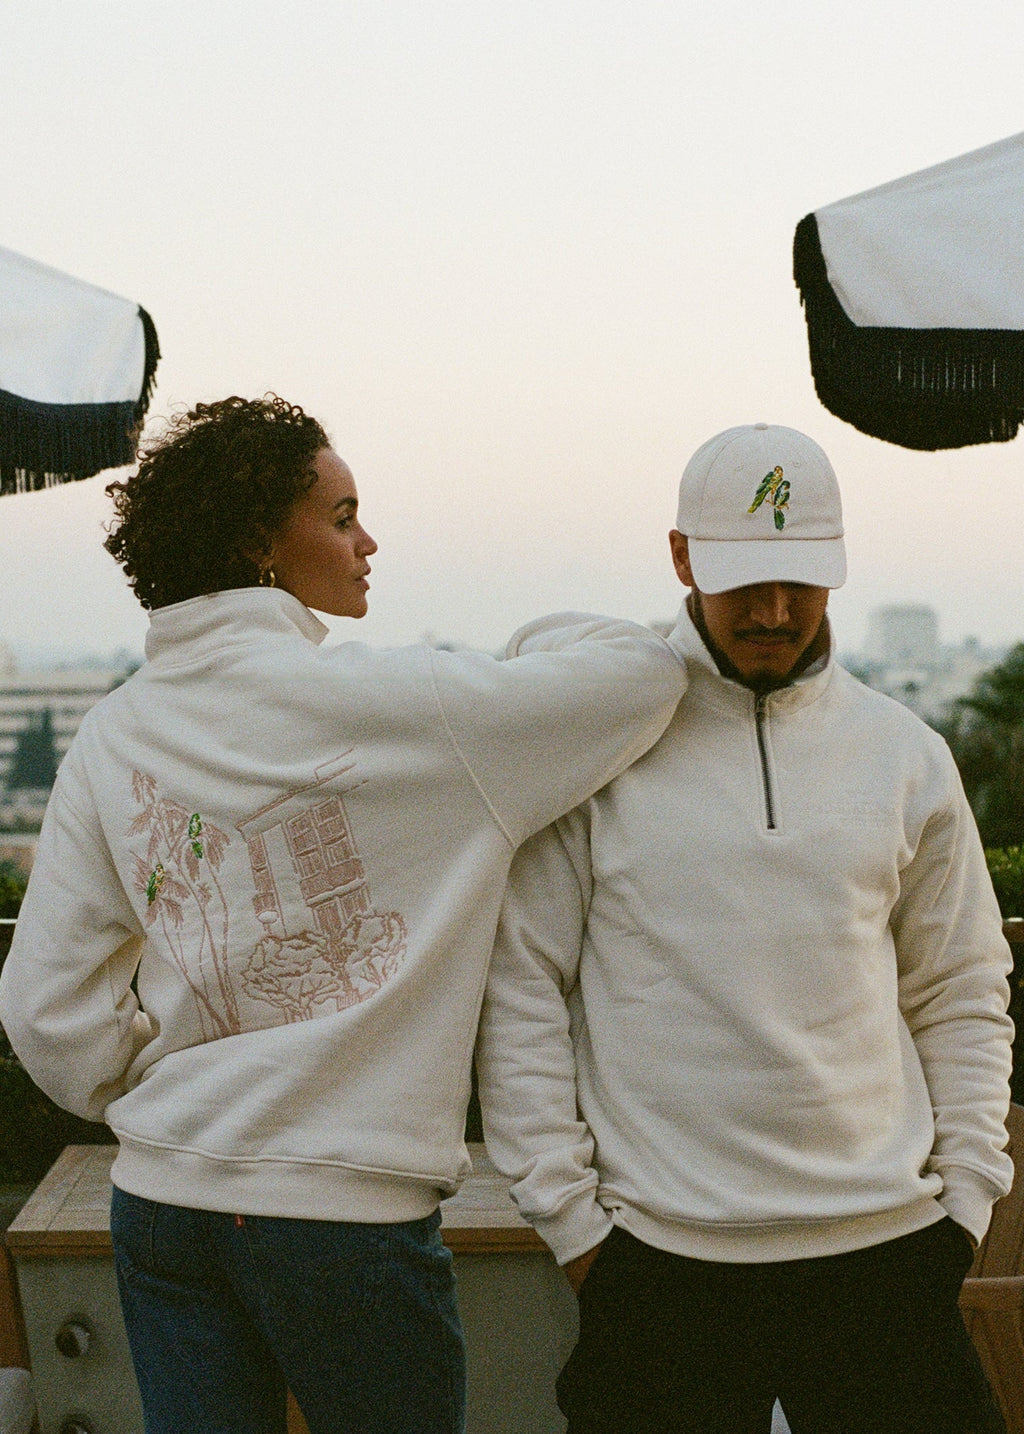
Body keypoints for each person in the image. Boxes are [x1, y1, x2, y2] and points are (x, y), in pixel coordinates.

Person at [0, 394, 689, 1434]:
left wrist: (156, 1086)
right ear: (257, 542)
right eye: (342, 515)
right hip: (340, 1216)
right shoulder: (418, 711)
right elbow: (642, 674)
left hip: (165, 1200)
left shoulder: (114, 731)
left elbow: (45, 1005)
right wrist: (536, 632)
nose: (369, 541)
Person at [476, 422, 1013, 1434]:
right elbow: (521, 990)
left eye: (800, 579)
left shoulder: (902, 753)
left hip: (887, 1253)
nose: (772, 611)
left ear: (839, 568)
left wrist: (965, 1204)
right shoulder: (599, 743)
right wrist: (577, 1229)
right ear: (680, 556)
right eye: (743, 579)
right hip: (659, 1268)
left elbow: (960, 986)